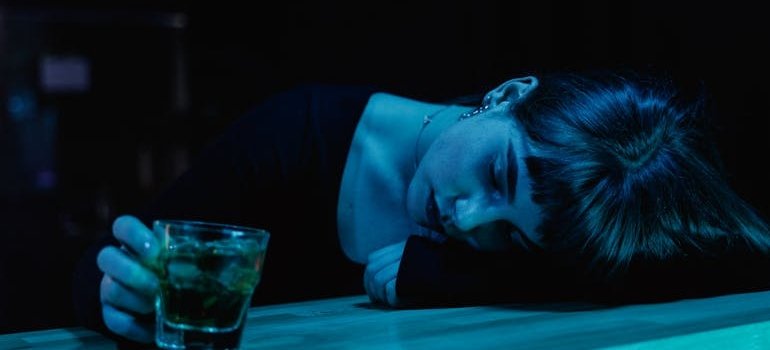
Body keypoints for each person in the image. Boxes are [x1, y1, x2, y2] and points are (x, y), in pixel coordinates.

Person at [72, 70, 770, 345]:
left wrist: (444, 274)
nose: (469, 221)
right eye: (497, 173)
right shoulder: (296, 138)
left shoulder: (528, 225)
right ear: (505, 95)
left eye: (510, 239)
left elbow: (738, 258)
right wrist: (118, 289)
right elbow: (86, 276)